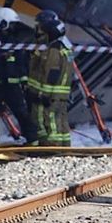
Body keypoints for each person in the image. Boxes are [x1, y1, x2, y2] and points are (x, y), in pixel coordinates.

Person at [0, 8, 38, 146]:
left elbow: (22, 64)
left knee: (22, 114)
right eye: (10, 24)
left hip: (12, 87)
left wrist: (24, 82)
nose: (12, 27)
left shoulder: (14, 41)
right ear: (2, 23)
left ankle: (32, 142)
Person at [27, 10, 74, 146]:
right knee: (61, 120)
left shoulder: (53, 50)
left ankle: (50, 145)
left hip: (48, 94)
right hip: (62, 93)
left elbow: (51, 72)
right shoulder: (66, 48)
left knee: (47, 120)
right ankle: (64, 145)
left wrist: (43, 94)